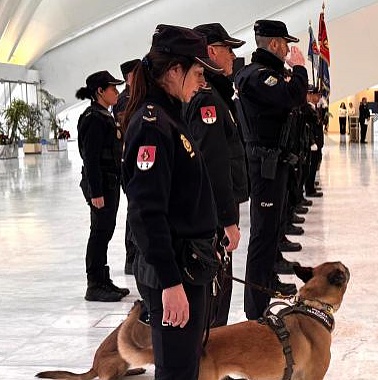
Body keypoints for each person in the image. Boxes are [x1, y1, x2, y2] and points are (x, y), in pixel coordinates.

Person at [121, 24, 220, 379]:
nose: (200, 83)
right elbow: (146, 213)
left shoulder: (169, 116)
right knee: (177, 370)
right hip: (174, 270)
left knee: (185, 366)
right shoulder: (152, 124)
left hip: (188, 264)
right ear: (174, 71)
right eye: (196, 73)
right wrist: (170, 283)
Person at [234, 19, 307, 320]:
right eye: (286, 44)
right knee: (263, 236)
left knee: (270, 232)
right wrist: (300, 69)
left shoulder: (266, 74)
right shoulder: (258, 76)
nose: (289, 49)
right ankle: (255, 309)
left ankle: (263, 293)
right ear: (275, 44)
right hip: (264, 164)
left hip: (274, 163)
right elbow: (292, 97)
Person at [186, 22, 249, 327]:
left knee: (218, 291)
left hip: (212, 210)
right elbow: (213, 163)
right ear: (211, 52)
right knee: (215, 292)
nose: (232, 57)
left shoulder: (216, 96)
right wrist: (227, 220)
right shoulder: (208, 100)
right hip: (212, 214)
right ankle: (209, 365)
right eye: (228, 50)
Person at [75, 70, 130, 302]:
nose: (116, 92)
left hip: (110, 182)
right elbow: (91, 158)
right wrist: (96, 192)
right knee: (99, 233)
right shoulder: (93, 119)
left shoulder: (103, 115)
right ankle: (95, 283)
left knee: (105, 231)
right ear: (100, 91)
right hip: (101, 185)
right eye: (112, 88)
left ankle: (103, 279)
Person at [113, 58, 141, 276]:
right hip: (129, 162)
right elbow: (127, 128)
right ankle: (131, 258)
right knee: (134, 211)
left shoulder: (134, 97)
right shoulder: (126, 100)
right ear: (129, 77)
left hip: (132, 160)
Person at [305, 86, 324, 197]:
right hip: (313, 143)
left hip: (317, 143)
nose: (318, 97)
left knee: (313, 166)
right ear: (310, 95)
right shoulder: (307, 109)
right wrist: (312, 142)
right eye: (317, 95)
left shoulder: (313, 108)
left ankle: (311, 185)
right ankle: (309, 188)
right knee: (310, 167)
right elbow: (309, 128)